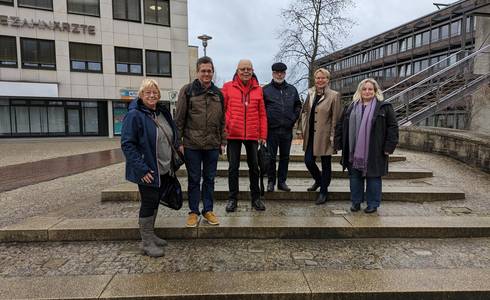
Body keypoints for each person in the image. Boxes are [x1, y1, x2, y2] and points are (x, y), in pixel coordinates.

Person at [121, 78, 179, 257]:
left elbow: (171, 133)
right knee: (148, 202)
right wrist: (142, 169)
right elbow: (127, 144)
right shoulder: (134, 115)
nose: (152, 95)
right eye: (148, 92)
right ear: (141, 95)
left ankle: (151, 235)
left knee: (154, 201)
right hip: (147, 169)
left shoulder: (162, 112)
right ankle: (146, 243)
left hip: (163, 168)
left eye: (155, 92)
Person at [174, 56, 225, 228]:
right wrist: (178, 141)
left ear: (213, 72)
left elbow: (222, 120)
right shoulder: (187, 91)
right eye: (203, 70)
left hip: (212, 144)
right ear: (197, 72)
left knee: (209, 179)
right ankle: (194, 212)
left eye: (209, 71)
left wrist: (222, 140)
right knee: (194, 179)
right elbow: (179, 118)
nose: (206, 73)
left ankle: (208, 210)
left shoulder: (218, 93)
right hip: (192, 145)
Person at [334, 78, 399, 213]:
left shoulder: (384, 107)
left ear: (375, 91)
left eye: (370, 89)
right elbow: (340, 126)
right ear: (360, 91)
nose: (367, 91)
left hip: (375, 149)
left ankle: (373, 204)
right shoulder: (350, 107)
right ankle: (356, 202)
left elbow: (392, 127)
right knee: (354, 177)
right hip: (353, 150)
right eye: (364, 89)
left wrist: (389, 147)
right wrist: (338, 143)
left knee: (373, 177)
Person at [222, 59, 267, 212]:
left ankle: (256, 198)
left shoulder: (258, 89)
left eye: (248, 69)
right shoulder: (228, 87)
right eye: (243, 69)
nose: (246, 71)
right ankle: (232, 199)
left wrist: (263, 134)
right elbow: (222, 110)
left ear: (253, 70)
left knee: (254, 167)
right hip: (233, 134)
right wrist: (225, 128)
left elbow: (262, 114)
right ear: (237, 70)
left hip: (252, 134)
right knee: (233, 167)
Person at [300, 68, 342, 205]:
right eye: (318, 78)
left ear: (328, 80)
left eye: (323, 78)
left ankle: (324, 191)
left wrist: (333, 137)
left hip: (325, 136)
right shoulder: (311, 93)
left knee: (326, 164)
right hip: (311, 134)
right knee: (308, 161)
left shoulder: (334, 95)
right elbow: (305, 111)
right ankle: (319, 180)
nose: (320, 80)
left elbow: (336, 118)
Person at [263, 62, 302, 192]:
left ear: (285, 73)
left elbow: (298, 105)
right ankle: (270, 181)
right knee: (271, 157)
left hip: (286, 129)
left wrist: (293, 118)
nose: (279, 74)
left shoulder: (292, 89)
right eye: (277, 72)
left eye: (282, 72)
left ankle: (282, 182)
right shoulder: (266, 90)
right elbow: (261, 109)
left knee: (285, 157)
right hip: (271, 130)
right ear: (273, 73)